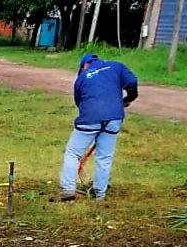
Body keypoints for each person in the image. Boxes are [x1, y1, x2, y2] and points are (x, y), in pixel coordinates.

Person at [58, 52, 138, 202]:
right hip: (114, 118)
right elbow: (132, 82)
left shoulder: (82, 77)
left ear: (85, 65)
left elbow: (80, 102)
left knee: (73, 153)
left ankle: (68, 190)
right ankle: (99, 195)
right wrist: (127, 99)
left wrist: (92, 116)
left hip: (89, 118)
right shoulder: (117, 66)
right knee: (104, 157)